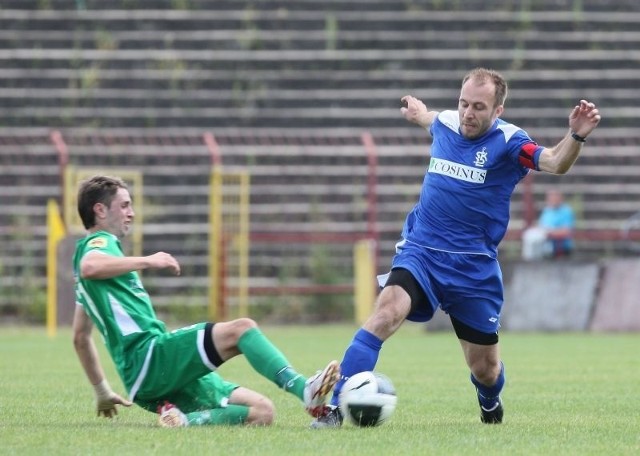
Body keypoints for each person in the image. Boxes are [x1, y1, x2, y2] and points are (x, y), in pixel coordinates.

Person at [311, 67, 601, 428]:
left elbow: (555, 162)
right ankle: (335, 409)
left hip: (474, 267)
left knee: (486, 369)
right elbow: (432, 119)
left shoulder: (511, 142)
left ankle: (489, 401)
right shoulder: (448, 123)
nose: (468, 113)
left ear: (498, 110)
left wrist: (576, 135)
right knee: (386, 312)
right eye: (464, 103)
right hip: (422, 251)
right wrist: (418, 113)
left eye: (479, 107)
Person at [72, 175, 340, 427]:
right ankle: (305, 389)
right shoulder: (99, 242)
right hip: (151, 357)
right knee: (241, 329)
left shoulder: (91, 281)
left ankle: (184, 421)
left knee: (262, 412)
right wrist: (149, 261)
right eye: (125, 205)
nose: (131, 213)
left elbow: (80, 338)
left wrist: (102, 391)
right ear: (100, 210)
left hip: (146, 381)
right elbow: (90, 266)